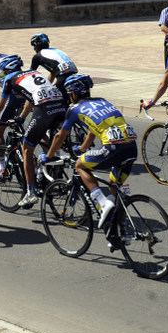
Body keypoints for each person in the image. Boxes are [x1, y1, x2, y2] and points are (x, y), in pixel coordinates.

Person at [41, 74, 139, 229]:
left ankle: (102, 203)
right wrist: (82, 148)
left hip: (112, 147)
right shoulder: (103, 101)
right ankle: (123, 227)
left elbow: (60, 135)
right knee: (115, 187)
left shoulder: (74, 108)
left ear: (73, 93)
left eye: (69, 95)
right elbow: (93, 130)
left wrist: (49, 156)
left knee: (80, 166)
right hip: (131, 148)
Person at [0, 55, 68, 209]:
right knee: (44, 138)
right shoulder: (34, 73)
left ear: (7, 71)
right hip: (61, 105)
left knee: (26, 148)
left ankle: (30, 193)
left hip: (45, 109)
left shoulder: (10, 78)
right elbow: (30, 98)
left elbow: (0, 105)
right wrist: (22, 117)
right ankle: (51, 163)